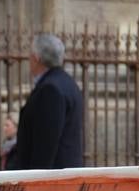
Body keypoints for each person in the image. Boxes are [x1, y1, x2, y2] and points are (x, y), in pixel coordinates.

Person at [6, 33, 84, 170]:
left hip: (52, 176)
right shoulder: (68, 83)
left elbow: (45, 143)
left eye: (30, 55)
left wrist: (36, 177)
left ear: (36, 58)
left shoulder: (50, 89)